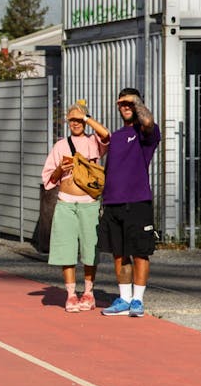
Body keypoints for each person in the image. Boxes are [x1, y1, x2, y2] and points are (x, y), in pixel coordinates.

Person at [86, 88, 161, 317]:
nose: (125, 107)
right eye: (122, 104)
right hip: (112, 204)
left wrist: (135, 101)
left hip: (137, 203)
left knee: (140, 253)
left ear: (138, 104)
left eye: (129, 103)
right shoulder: (117, 136)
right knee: (119, 254)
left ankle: (137, 300)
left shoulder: (146, 132)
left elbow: (147, 120)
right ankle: (124, 298)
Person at [40, 100, 109, 311]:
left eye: (79, 120)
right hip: (65, 203)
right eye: (72, 120)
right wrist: (61, 168)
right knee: (66, 248)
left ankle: (88, 292)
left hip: (89, 203)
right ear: (67, 122)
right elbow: (48, 179)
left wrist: (86, 116)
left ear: (86, 121)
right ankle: (70, 293)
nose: (76, 123)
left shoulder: (93, 142)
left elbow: (106, 135)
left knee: (90, 248)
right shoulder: (60, 145)